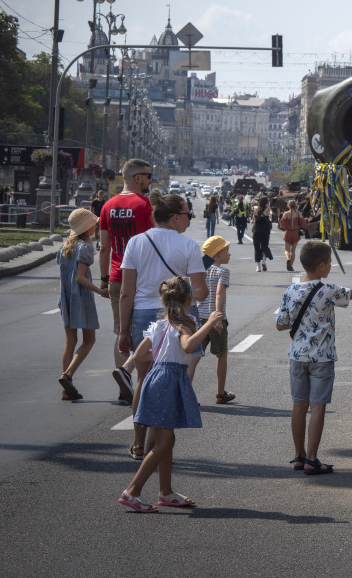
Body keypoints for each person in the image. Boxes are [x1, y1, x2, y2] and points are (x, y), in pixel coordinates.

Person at [117, 276, 224, 513]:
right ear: (188, 300)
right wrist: (208, 324)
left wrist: (162, 357)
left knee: (168, 440)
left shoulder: (159, 325)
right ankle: (132, 491)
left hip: (156, 378)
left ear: (164, 301)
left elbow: (140, 354)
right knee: (164, 442)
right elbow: (188, 347)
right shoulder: (184, 324)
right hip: (168, 380)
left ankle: (165, 492)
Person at [118, 193, 208, 461]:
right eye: (188, 215)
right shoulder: (189, 246)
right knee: (169, 380)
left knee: (144, 380)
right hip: (178, 318)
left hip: (142, 315)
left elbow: (126, 292)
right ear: (176, 217)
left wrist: (123, 330)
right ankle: (159, 446)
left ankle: (137, 444)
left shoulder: (136, 242)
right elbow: (201, 292)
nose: (189, 221)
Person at [275, 241, 352, 475]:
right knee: (317, 408)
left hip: (297, 356)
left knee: (299, 406)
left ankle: (298, 456)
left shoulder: (291, 291)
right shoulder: (329, 291)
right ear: (320, 266)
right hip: (322, 358)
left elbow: (281, 325)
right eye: (329, 262)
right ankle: (312, 459)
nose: (331, 266)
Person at [99, 159, 155, 403]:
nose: (150, 180)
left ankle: (125, 386)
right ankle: (142, 384)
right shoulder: (144, 204)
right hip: (141, 278)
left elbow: (104, 247)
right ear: (137, 178)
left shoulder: (107, 206)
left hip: (115, 277)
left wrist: (103, 279)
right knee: (146, 333)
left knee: (120, 333)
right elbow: (153, 240)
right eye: (148, 176)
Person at [56, 208, 107, 401]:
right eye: (93, 223)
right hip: (81, 298)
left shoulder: (64, 246)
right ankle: (67, 376)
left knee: (70, 342)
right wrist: (100, 290)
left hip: (66, 298)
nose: (96, 226)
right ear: (87, 227)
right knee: (89, 340)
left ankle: (66, 390)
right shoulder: (85, 247)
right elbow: (80, 278)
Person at [188, 235, 235, 404]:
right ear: (217, 254)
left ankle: (186, 394)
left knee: (193, 356)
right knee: (221, 355)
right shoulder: (223, 271)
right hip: (214, 318)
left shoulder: (199, 271)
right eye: (227, 251)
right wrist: (218, 318)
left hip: (198, 318)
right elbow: (219, 293)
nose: (229, 254)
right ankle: (220, 393)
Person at [278, 199, 308, 272]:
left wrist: (285, 228)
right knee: (293, 251)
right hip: (296, 233)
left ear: (288, 205)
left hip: (288, 232)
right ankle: (291, 265)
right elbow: (303, 223)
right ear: (296, 205)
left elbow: (282, 224)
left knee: (287, 250)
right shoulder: (298, 214)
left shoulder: (286, 214)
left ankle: (288, 259)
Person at [251, 195, 274, 273]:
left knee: (257, 247)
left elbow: (255, 219)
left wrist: (252, 228)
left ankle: (258, 266)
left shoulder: (256, 208)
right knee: (264, 245)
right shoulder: (268, 208)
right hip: (265, 228)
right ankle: (264, 260)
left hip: (257, 228)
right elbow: (269, 214)